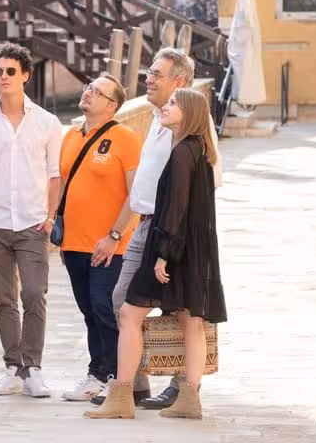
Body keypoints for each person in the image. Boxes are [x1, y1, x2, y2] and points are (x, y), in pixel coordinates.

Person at [89, 47, 223, 409]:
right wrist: (118, 232)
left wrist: (170, 244)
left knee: (175, 311)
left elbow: (201, 185)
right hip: (145, 226)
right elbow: (141, 188)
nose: (148, 78)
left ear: (180, 82)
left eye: (157, 74)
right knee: (126, 303)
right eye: (148, 72)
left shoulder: (190, 126)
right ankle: (135, 383)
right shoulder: (157, 118)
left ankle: (177, 385)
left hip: (166, 231)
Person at [0, 43, 63, 398]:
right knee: (4, 298)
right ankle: (13, 366)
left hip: (33, 223)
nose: (3, 77)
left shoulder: (48, 123)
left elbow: (55, 175)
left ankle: (33, 368)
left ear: (26, 75)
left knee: (35, 294)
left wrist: (51, 217)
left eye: (10, 71)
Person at [59, 74, 142, 402]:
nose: (88, 92)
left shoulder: (125, 139)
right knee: (88, 311)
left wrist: (114, 235)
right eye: (88, 87)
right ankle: (97, 372)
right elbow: (65, 186)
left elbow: (136, 194)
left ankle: (116, 378)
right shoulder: (71, 136)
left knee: (105, 308)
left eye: (97, 91)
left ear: (112, 105)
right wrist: (60, 228)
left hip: (110, 244)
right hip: (74, 243)